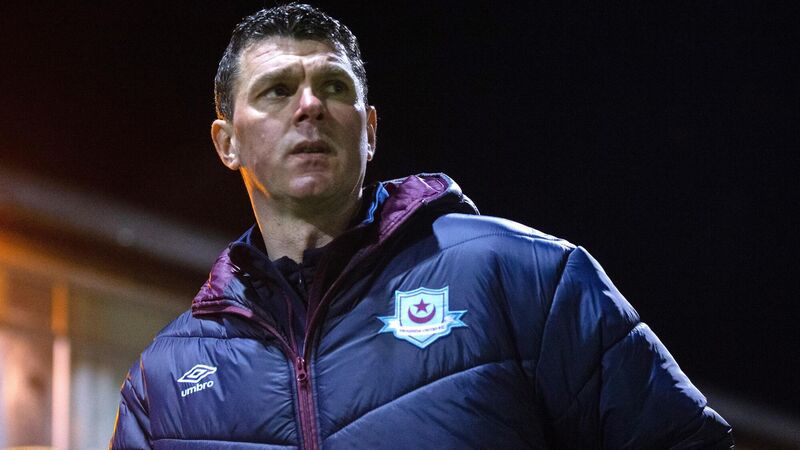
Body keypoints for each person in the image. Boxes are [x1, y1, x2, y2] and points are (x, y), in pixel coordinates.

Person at [110, 4, 733, 449]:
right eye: (276, 90)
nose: (310, 106)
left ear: (369, 129)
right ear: (227, 143)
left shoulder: (523, 276)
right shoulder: (163, 383)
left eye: (334, 85)